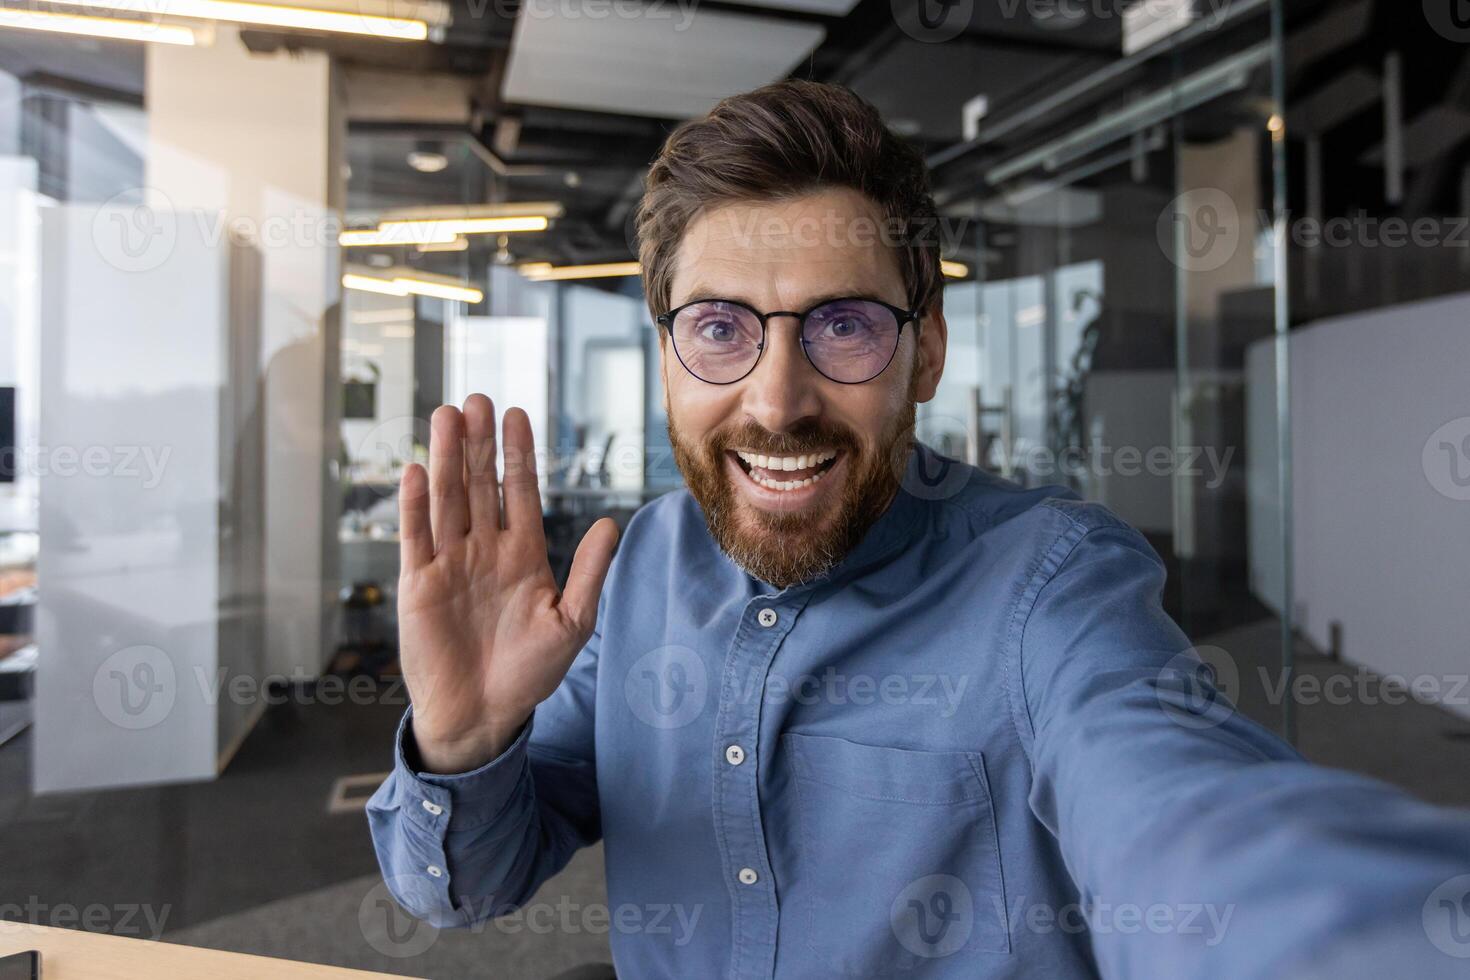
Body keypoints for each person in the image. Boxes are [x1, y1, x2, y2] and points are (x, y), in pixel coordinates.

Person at [368, 80, 1470, 978]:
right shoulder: (638, 567)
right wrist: (464, 743)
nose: (777, 398)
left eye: (844, 325)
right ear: (667, 356)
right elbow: (465, 885)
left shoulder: (1047, 583)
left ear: (926, 351)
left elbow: (1180, 815)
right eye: (718, 328)